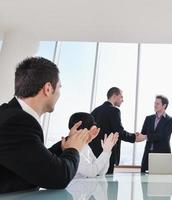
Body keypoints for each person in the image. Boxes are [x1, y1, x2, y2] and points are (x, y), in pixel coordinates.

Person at [0, 57, 99, 193]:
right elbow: (58, 177)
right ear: (48, 88)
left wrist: (65, 145)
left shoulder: (12, 115)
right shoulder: (18, 122)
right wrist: (74, 149)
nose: (59, 93)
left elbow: (35, 162)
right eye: (59, 87)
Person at [90, 87, 144, 174]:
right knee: (107, 184)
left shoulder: (94, 111)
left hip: (93, 155)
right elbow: (119, 132)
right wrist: (134, 137)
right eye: (121, 97)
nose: (123, 100)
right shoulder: (114, 111)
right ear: (114, 96)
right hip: (107, 155)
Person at [68, 112, 119, 178]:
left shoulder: (86, 147)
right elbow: (91, 172)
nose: (95, 133)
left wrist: (107, 151)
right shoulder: (72, 148)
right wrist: (105, 152)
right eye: (93, 129)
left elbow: (102, 171)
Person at [140, 95, 172, 173]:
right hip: (148, 154)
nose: (155, 105)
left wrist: (146, 136)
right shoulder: (148, 118)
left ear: (164, 105)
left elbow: (164, 136)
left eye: (157, 103)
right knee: (144, 182)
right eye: (154, 103)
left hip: (162, 155)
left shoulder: (170, 120)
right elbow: (143, 134)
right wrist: (138, 136)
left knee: (162, 182)